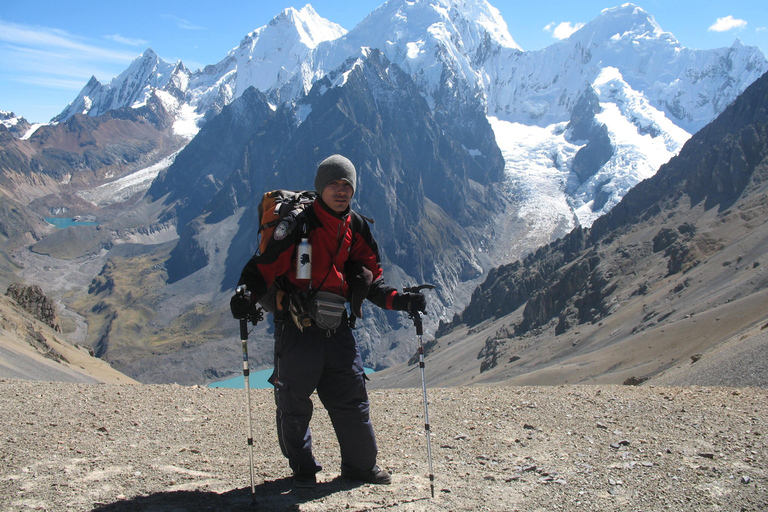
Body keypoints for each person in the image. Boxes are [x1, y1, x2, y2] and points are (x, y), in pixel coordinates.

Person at [230, 154, 427, 489]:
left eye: (347, 184)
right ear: (321, 186)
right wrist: (246, 295)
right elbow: (262, 267)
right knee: (293, 403)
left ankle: (360, 468)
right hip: (297, 328)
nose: (341, 190)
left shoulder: (358, 228)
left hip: (338, 331)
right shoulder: (295, 224)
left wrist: (402, 301)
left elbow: (372, 283)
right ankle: (303, 471)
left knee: (352, 399)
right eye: (334, 184)